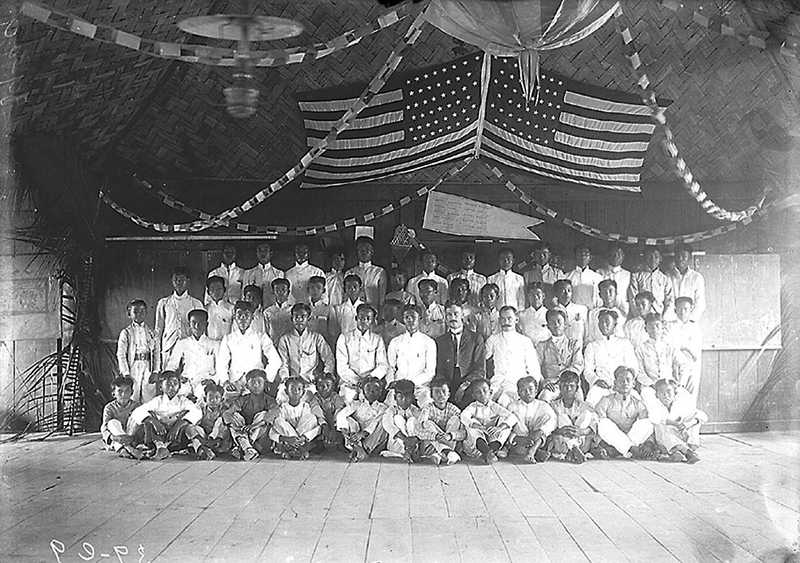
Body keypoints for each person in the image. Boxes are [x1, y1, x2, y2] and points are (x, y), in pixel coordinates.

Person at [127, 370, 207, 460]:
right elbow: (138, 411)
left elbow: (197, 412)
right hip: (161, 434)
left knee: (190, 427)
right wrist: (154, 422)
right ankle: (161, 448)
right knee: (147, 423)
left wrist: (178, 425)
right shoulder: (157, 401)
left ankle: (199, 448)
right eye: (168, 384)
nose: (172, 387)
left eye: (175, 384)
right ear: (161, 387)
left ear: (179, 387)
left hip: (177, 436)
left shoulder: (183, 401)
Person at [216, 301, 281, 395]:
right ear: (234, 317)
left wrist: (265, 379)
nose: (243, 318)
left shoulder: (261, 337)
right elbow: (221, 362)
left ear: (252, 318)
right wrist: (225, 381)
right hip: (234, 383)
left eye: (247, 315)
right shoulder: (228, 339)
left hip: (256, 383)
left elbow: (276, 360)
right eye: (239, 315)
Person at [276, 303, 335, 401]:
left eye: (303, 317)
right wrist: (286, 379)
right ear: (292, 319)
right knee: (282, 396)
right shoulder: (285, 339)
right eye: (296, 317)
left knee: (314, 401)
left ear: (309, 319)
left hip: (311, 383)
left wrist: (325, 376)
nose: (299, 320)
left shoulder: (316, 338)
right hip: (292, 382)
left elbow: (329, 358)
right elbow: (283, 364)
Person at [485, 306, 541, 406]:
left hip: (518, 383)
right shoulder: (493, 339)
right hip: (498, 383)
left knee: (509, 403)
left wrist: (530, 388)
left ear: (516, 319)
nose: (506, 322)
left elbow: (534, 368)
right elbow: (483, 360)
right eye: (503, 319)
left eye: (509, 318)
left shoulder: (525, 341)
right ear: (499, 320)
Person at [594, 366, 654, 459]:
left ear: (633, 384)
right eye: (621, 380)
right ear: (615, 383)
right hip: (612, 439)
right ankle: (631, 449)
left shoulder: (638, 403)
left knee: (647, 423)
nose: (624, 383)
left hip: (632, 437)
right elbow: (599, 429)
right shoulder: (606, 400)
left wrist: (649, 444)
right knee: (603, 423)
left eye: (628, 380)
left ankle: (621, 450)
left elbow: (645, 427)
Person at [434, 302, 486, 409]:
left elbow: (480, 369)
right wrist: (444, 387)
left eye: (456, 314)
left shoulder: (476, 338)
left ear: (462, 315)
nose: (453, 318)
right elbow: (439, 369)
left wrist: (464, 386)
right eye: (449, 315)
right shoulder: (440, 341)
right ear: (445, 317)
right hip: (448, 381)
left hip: (469, 380)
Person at [583, 309, 639, 407]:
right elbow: (587, 371)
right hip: (601, 386)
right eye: (601, 322)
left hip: (623, 385)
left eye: (607, 322)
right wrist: (596, 380)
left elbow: (633, 367)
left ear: (615, 324)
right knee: (590, 410)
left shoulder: (625, 343)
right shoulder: (592, 346)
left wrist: (622, 382)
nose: (604, 325)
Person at [336, 304, 388, 403]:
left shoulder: (377, 339)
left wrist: (370, 378)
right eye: (361, 318)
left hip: (372, 383)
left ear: (372, 321)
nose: (364, 321)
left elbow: (383, 365)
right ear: (356, 318)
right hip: (350, 383)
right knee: (348, 404)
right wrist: (358, 381)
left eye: (368, 318)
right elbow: (342, 367)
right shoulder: (344, 338)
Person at [386, 305, 437, 407]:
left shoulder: (429, 342)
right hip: (398, 386)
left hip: (420, 387)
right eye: (406, 317)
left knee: (427, 405)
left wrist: (411, 383)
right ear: (403, 320)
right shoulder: (395, 342)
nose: (410, 320)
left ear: (420, 319)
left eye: (413, 317)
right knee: (389, 406)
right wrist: (392, 382)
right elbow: (390, 367)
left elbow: (430, 371)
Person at [222, 369, 278, 461]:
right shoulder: (243, 399)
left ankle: (242, 446)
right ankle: (248, 448)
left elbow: (274, 413)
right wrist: (233, 420)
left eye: (259, 382)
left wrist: (254, 426)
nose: (256, 385)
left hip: (260, 438)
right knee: (235, 415)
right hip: (244, 431)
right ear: (247, 386)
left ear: (265, 384)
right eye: (252, 383)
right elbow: (227, 413)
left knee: (263, 415)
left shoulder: (270, 400)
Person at [155, 267, 204, 366]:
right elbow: (158, 330)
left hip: (189, 347)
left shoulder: (196, 303)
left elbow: (201, 329)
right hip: (169, 347)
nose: (179, 282)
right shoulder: (164, 303)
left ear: (188, 281)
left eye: (182, 280)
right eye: (176, 280)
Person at [460, 378, 516, 464]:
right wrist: (479, 427)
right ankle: (488, 452)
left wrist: (499, 428)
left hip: (491, 439)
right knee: (471, 425)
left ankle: (490, 451)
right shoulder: (472, 407)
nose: (482, 394)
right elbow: (463, 416)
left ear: (490, 392)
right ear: (473, 396)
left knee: (506, 424)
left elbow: (512, 417)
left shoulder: (494, 406)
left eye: (485, 391)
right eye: (478, 392)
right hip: (476, 443)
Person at [649, 379, 706, 463]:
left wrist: (687, 425)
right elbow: (655, 418)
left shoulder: (680, 406)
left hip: (684, 438)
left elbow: (703, 416)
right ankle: (687, 453)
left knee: (694, 420)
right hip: (665, 440)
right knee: (662, 426)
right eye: (661, 392)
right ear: (656, 395)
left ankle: (676, 452)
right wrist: (675, 424)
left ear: (675, 394)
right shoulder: (655, 406)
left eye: (669, 392)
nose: (665, 395)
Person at [166, 309, 217, 403]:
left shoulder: (214, 344)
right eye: (194, 323)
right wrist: (177, 377)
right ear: (189, 324)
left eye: (201, 323)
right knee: (178, 403)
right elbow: (171, 366)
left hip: (205, 383)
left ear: (206, 324)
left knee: (205, 400)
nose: (197, 326)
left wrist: (213, 380)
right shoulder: (182, 343)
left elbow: (220, 369)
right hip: (186, 382)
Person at [547, 371, 598, 464]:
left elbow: (594, 424)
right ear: (560, 388)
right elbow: (549, 426)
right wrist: (560, 431)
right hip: (562, 441)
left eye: (571, 386)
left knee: (587, 414)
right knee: (562, 417)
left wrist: (582, 431)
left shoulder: (585, 405)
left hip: (581, 441)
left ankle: (573, 449)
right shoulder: (553, 405)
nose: (568, 389)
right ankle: (574, 448)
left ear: (577, 388)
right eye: (565, 386)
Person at [634, 313, 683, 407]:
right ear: (646, 329)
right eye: (651, 327)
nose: (654, 329)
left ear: (662, 327)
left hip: (669, 385)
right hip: (650, 386)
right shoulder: (641, 348)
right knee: (650, 400)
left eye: (657, 326)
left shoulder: (669, 346)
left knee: (682, 399)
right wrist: (652, 384)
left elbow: (683, 364)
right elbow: (639, 371)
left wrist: (678, 382)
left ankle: (676, 420)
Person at [336, 376, 389, 462]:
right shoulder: (357, 404)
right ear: (363, 392)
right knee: (349, 419)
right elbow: (341, 415)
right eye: (368, 388)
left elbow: (375, 423)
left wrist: (363, 433)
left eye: (375, 389)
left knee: (383, 421)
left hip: (372, 440)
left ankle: (363, 450)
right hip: (355, 439)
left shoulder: (383, 408)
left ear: (380, 392)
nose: (371, 391)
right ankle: (357, 448)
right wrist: (344, 431)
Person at [117, 298, 160, 403]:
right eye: (135, 312)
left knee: (149, 394)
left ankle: (147, 417)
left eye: (142, 312)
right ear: (129, 314)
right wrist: (126, 373)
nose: (139, 314)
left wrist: (155, 371)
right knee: (133, 394)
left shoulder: (152, 333)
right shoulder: (126, 333)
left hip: (147, 365)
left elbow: (156, 353)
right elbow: (121, 354)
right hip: (133, 366)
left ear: (146, 313)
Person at [536, 309, 584, 401]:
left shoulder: (574, 344)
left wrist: (558, 378)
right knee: (544, 397)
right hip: (552, 385)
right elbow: (535, 368)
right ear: (548, 326)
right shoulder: (541, 346)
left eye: (559, 321)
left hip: (571, 384)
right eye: (552, 322)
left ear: (565, 324)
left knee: (579, 399)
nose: (556, 325)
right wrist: (544, 382)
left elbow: (577, 365)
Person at [507, 376, 557, 463]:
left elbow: (553, 421)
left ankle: (531, 451)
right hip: (520, 439)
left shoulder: (543, 405)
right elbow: (508, 426)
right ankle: (536, 452)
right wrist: (518, 438)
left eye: (531, 389)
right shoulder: (513, 406)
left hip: (537, 437)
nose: (527, 393)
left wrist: (540, 431)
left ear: (536, 391)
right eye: (523, 390)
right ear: (518, 393)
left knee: (547, 418)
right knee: (513, 418)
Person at [270, 377, 322, 460]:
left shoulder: (306, 407)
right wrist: (287, 438)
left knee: (312, 418)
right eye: (292, 389)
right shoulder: (282, 408)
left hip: (302, 439)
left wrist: (302, 438)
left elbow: (313, 428)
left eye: (299, 389)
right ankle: (299, 449)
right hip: (288, 439)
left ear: (303, 392)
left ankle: (294, 448)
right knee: (278, 421)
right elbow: (273, 432)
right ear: (286, 391)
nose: (296, 391)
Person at [416, 378, 465, 465]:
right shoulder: (427, 409)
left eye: (444, 391)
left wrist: (450, 435)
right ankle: (448, 453)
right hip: (431, 444)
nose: (441, 395)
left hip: (448, 440)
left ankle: (440, 454)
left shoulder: (454, 409)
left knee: (456, 420)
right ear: (431, 395)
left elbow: (463, 433)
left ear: (449, 394)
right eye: (437, 392)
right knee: (427, 423)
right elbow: (418, 430)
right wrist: (435, 436)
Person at [668, 296, 702, 405]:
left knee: (691, 395)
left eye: (686, 309)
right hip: (675, 365)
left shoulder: (695, 327)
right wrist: (682, 348)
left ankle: (689, 420)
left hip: (692, 365)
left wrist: (685, 347)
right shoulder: (670, 326)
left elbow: (695, 352)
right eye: (679, 309)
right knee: (676, 393)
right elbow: (670, 346)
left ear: (691, 309)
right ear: (675, 310)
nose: (682, 312)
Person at [100, 375, 143, 459]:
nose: (124, 394)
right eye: (120, 391)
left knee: (139, 419)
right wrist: (115, 437)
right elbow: (104, 428)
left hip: (131, 436)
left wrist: (132, 438)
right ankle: (129, 449)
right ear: (113, 393)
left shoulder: (136, 405)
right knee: (112, 423)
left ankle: (124, 449)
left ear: (132, 392)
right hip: (116, 436)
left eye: (127, 391)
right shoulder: (109, 407)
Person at [381, 379, 422, 462]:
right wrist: (405, 439)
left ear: (413, 397)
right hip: (396, 446)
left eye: (407, 397)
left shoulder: (416, 411)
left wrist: (413, 440)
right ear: (395, 397)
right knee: (397, 418)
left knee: (412, 420)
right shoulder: (391, 410)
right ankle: (408, 451)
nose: (404, 400)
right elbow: (387, 424)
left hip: (414, 445)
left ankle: (409, 451)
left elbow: (421, 428)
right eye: (400, 397)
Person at [628, 247, 674, 319]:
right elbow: (632, 298)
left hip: (659, 316)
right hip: (641, 316)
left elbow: (670, 301)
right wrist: (639, 316)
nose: (653, 260)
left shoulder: (665, 279)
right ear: (645, 258)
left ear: (660, 259)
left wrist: (664, 317)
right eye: (649, 256)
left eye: (656, 257)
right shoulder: (636, 276)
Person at [308, 372, 346, 451]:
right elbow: (316, 411)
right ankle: (318, 443)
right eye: (320, 385)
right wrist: (324, 425)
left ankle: (341, 442)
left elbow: (339, 411)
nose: (324, 388)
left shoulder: (336, 397)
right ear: (316, 387)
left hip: (334, 423)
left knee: (343, 421)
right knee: (313, 420)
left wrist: (333, 428)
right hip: (322, 424)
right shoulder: (315, 398)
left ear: (333, 387)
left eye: (328, 385)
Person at [346, 236, 388, 306]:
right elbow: (346, 296)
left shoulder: (380, 272)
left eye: (367, 249)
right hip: (353, 311)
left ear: (372, 252)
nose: (364, 252)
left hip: (374, 311)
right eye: (361, 250)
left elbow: (382, 299)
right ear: (357, 252)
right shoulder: (350, 272)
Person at [669, 244, 705, 321]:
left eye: (684, 256)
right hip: (671, 321)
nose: (680, 259)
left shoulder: (697, 277)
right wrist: (673, 320)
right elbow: (667, 300)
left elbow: (700, 303)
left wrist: (690, 320)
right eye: (678, 256)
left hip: (690, 322)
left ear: (690, 258)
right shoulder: (668, 276)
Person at [243, 242, 285, 307]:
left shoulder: (278, 273)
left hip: (272, 310)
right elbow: (244, 296)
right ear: (256, 253)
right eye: (260, 250)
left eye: (265, 250)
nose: (263, 253)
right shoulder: (248, 273)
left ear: (271, 253)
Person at [195, 382, 231, 456]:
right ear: (205, 399)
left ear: (222, 400)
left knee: (221, 421)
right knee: (194, 428)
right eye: (210, 397)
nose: (213, 400)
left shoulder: (224, 410)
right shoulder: (201, 410)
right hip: (205, 438)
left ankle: (214, 444)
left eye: (217, 398)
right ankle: (205, 448)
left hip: (220, 439)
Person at [585, 279, 627, 344]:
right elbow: (590, 335)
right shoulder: (593, 313)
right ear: (600, 295)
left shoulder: (622, 314)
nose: (607, 295)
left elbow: (622, 335)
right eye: (604, 292)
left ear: (616, 293)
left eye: (610, 291)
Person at [599, 243, 631, 315]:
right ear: (608, 255)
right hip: (604, 308)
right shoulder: (599, 272)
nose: (616, 257)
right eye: (613, 254)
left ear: (623, 256)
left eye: (619, 254)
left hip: (622, 308)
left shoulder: (627, 274)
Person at [566, 244, 602, 309]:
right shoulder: (567, 277)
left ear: (590, 257)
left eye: (586, 254)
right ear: (575, 256)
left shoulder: (597, 277)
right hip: (573, 313)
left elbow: (600, 299)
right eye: (580, 254)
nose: (583, 257)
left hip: (591, 311)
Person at [331, 274, 365, 342]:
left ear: (360, 289)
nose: (352, 289)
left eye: (355, 286)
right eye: (349, 287)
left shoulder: (366, 308)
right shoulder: (338, 309)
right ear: (345, 289)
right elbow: (335, 331)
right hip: (345, 343)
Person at [553, 279, 587, 344]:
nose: (566, 294)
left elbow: (587, 334)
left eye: (569, 290)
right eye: (562, 291)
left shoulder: (582, 309)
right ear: (556, 293)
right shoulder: (553, 311)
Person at [307, 276, 333, 345]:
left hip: (323, 344)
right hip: (307, 344)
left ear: (323, 290)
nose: (315, 290)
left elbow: (332, 332)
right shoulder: (304, 309)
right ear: (308, 290)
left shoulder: (329, 309)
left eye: (318, 288)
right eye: (312, 287)